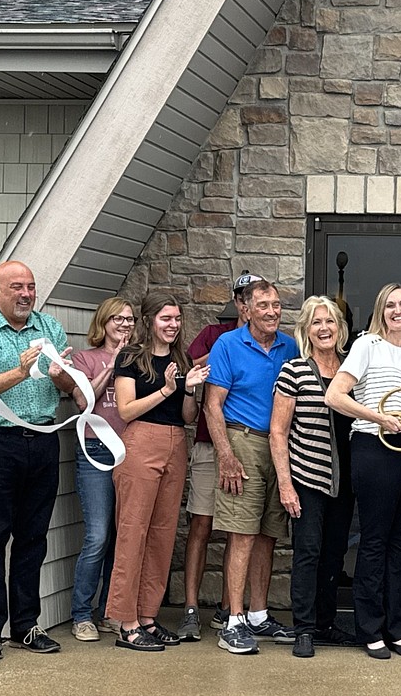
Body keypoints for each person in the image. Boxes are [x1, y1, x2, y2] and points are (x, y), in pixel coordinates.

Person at [0, 261, 76, 661]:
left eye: (31, 287)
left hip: (41, 442)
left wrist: (59, 375)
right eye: (17, 287)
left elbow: (68, 386)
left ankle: (26, 625)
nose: (26, 294)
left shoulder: (49, 327)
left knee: (33, 537)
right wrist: (21, 372)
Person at [325, 283, 401, 660]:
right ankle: (370, 629)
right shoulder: (366, 345)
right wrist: (379, 417)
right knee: (374, 540)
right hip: (375, 447)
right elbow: (335, 395)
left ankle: (397, 630)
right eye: (390, 305)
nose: (398, 311)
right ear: (380, 310)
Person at [106, 293, 208, 652]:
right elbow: (126, 409)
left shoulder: (181, 358)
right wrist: (166, 389)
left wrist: (190, 389)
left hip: (175, 443)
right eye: (166, 318)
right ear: (149, 321)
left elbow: (187, 417)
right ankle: (126, 621)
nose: (173, 325)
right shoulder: (131, 357)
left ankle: (148, 616)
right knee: (133, 531)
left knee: (163, 533)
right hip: (140, 442)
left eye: (178, 319)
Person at [206, 279, 298, 655]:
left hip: (279, 446)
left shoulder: (290, 346)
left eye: (276, 305)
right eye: (264, 305)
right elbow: (213, 405)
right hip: (241, 441)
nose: (272, 311)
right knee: (241, 533)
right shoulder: (228, 344)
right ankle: (233, 620)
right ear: (246, 308)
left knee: (267, 534)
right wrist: (226, 455)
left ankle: (259, 614)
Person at [272, 296, 357, 658]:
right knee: (307, 553)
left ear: (340, 328)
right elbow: (278, 431)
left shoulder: (351, 371)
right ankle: (304, 628)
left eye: (330, 322)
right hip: (307, 477)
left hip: (346, 480)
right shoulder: (294, 370)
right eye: (317, 323)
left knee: (335, 554)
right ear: (306, 330)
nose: (324, 328)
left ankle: (326, 622)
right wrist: (285, 484)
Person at [177, 271, 259, 641]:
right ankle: (191, 608)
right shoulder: (215, 335)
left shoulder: (270, 339)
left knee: (237, 532)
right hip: (211, 444)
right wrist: (230, 344)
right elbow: (191, 368)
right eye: (243, 298)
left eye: (253, 297)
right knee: (201, 526)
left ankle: (229, 609)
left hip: (248, 449)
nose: (247, 304)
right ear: (238, 303)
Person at [68, 297, 133, 642]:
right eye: (118, 319)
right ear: (103, 322)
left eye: (130, 320)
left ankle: (109, 609)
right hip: (96, 449)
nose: (125, 325)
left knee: (121, 536)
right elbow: (84, 401)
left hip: (130, 453)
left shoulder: (138, 358)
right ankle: (81, 613)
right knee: (97, 536)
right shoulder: (85, 358)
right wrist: (112, 366)